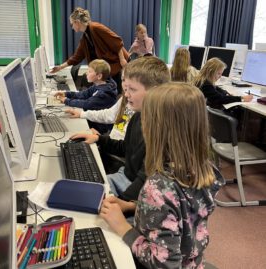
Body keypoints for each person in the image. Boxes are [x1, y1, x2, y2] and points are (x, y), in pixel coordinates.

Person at [100, 82, 225, 269]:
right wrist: (133, 206)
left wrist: (122, 228)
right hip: (193, 261)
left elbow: (165, 264)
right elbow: (179, 214)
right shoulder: (205, 169)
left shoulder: (158, 186)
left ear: (156, 129)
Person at [70, 56, 171, 201]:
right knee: (78, 191)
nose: (126, 94)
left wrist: (120, 203)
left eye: (132, 89)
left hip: (137, 190)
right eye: (126, 87)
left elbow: (146, 181)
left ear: (154, 92)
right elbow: (125, 147)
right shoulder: (138, 117)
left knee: (83, 199)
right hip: (125, 176)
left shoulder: (160, 129)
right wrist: (99, 139)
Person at [50, 7, 128, 93]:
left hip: (114, 65)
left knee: (113, 94)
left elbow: (116, 41)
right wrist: (60, 67)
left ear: (77, 22)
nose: (72, 27)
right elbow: (76, 57)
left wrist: (122, 59)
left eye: (72, 24)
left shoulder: (96, 27)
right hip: (106, 68)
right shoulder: (85, 36)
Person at [55, 59, 118, 134]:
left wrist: (66, 100)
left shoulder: (104, 94)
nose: (86, 73)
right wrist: (66, 94)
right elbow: (83, 94)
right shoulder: (98, 85)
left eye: (89, 71)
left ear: (99, 76)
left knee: (70, 127)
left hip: (99, 126)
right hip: (92, 118)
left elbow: (87, 103)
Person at [65, 75, 134, 140]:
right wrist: (82, 114)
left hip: (113, 148)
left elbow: (125, 147)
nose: (125, 86)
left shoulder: (104, 93)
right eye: (123, 80)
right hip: (111, 143)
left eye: (133, 87)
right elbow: (110, 115)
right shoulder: (125, 98)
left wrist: (100, 139)